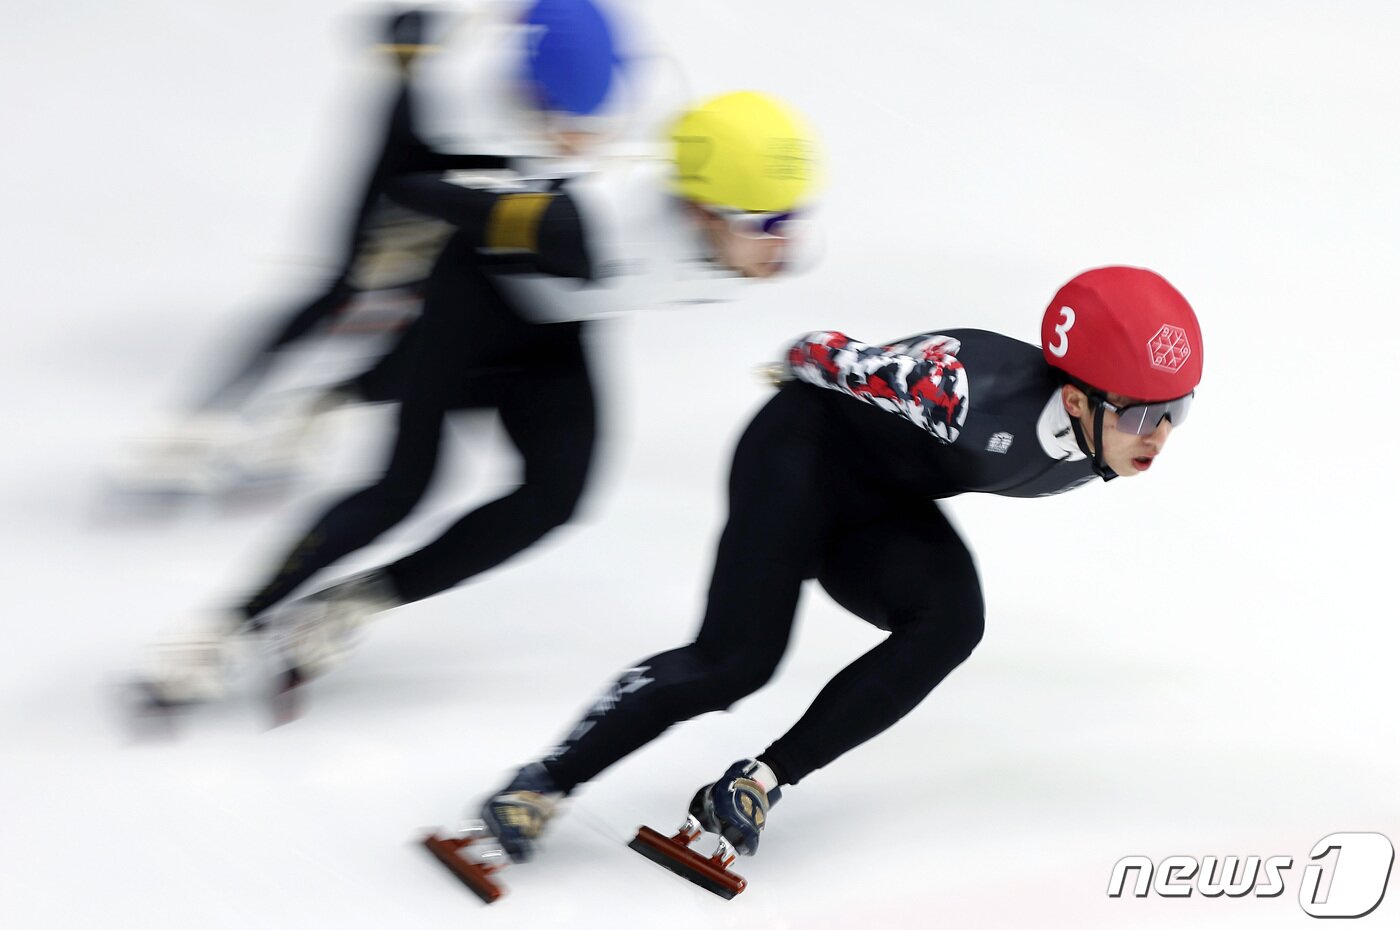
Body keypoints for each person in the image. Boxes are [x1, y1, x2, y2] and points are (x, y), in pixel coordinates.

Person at [466, 265, 1203, 873]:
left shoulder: (1098, 441)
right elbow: (828, 352)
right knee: (736, 661)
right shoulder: (965, 389)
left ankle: (754, 783)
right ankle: (543, 783)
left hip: (879, 500)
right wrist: (791, 361)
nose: (1160, 437)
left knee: (951, 623)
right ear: (1075, 398)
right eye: (1142, 416)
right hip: (796, 456)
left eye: (1178, 411)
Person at [137, 87, 821, 707]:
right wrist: (391, 243)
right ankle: (223, 626)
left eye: (794, 217)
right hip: (472, 304)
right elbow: (438, 190)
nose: (782, 244)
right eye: (763, 224)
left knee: (558, 496)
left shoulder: (766, 238)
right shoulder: (589, 222)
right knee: (404, 488)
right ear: (700, 210)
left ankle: (351, 601)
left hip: (555, 323)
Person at [114, 1, 634, 498]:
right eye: (557, 118)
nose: (573, 136)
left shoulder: (602, 67)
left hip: (494, 142)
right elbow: (433, 187)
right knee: (351, 284)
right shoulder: (457, 97)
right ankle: (199, 417)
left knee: (445, 296)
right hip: (425, 152)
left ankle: (317, 409)